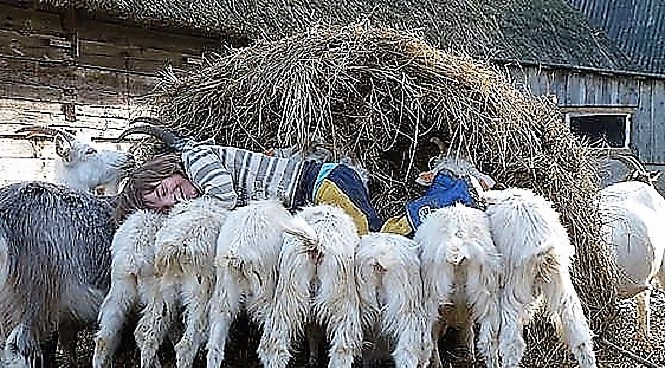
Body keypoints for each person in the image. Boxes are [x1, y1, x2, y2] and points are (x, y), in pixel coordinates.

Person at [115, 125, 382, 234]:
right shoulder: (194, 174)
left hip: (322, 183)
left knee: (368, 235)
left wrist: (188, 217)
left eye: (165, 190)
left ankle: (412, 226)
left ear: (167, 172)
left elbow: (224, 198)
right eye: (165, 208)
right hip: (304, 201)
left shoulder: (195, 159)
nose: (175, 200)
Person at [381, 139, 497, 237]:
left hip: (452, 187)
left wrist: (479, 180)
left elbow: (476, 174)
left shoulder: (458, 163)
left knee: (437, 202)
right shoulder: (440, 168)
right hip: (445, 189)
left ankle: (466, 194)